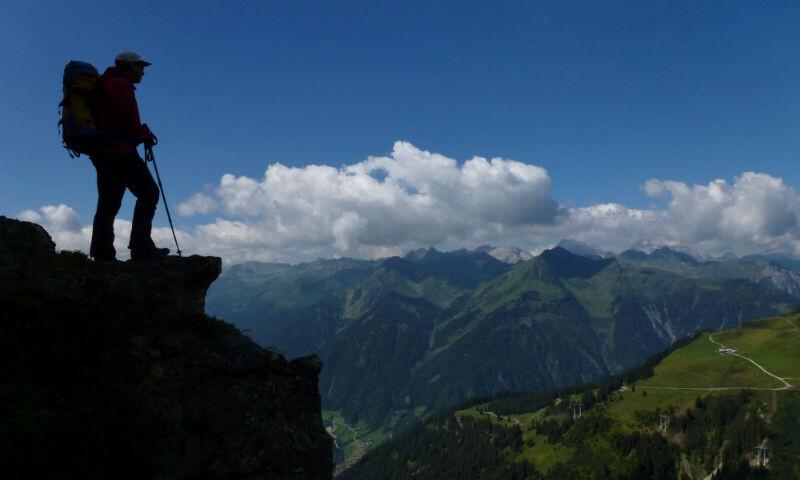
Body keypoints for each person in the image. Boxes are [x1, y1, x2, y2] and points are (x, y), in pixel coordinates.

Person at [89, 51, 169, 262]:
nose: (143, 71)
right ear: (129, 66)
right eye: (140, 66)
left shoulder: (108, 84)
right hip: (119, 151)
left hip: (103, 152)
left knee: (109, 202)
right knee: (149, 192)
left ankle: (102, 253)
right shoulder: (119, 85)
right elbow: (124, 117)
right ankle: (141, 247)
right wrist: (143, 134)